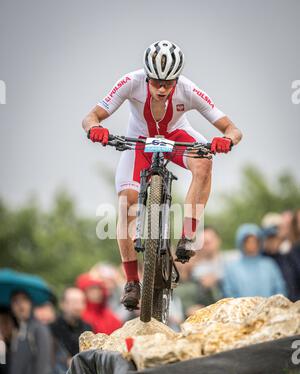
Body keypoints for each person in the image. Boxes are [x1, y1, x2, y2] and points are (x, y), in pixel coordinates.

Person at [82, 39, 242, 310]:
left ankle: (188, 233)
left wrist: (226, 140)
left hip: (176, 136)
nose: (162, 88)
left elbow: (233, 129)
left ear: (177, 79)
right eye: (156, 82)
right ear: (147, 77)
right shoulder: (130, 82)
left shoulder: (188, 90)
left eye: (169, 83)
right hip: (139, 141)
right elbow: (90, 117)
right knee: (127, 202)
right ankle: (132, 281)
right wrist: (95, 129)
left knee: (204, 163)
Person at [4, 291, 53, 374]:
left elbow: (44, 365)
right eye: (15, 301)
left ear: (31, 303)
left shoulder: (39, 329)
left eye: (24, 300)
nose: (20, 305)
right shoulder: (16, 331)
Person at [222, 224, 287, 298]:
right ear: (241, 242)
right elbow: (229, 292)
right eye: (248, 241)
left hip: (269, 308)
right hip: (242, 308)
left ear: (260, 242)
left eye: (255, 241)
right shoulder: (232, 268)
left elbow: (280, 288)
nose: (251, 245)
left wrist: (273, 306)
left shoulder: (269, 264)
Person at [50, 287, 92, 359]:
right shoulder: (52, 328)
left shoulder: (88, 328)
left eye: (81, 302)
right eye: (74, 302)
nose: (78, 306)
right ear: (62, 304)